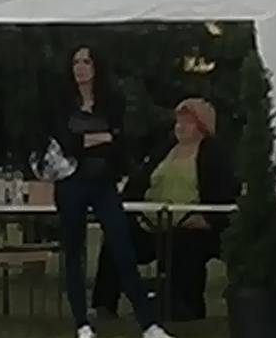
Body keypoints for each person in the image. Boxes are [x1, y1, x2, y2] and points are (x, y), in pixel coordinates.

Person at [44, 46, 177, 338]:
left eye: (86, 62)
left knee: (122, 247)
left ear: (96, 67)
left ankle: (148, 323)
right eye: (75, 62)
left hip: (103, 183)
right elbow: (67, 143)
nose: (80, 67)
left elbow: (119, 142)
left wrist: (93, 140)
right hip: (71, 183)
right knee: (74, 252)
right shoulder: (62, 103)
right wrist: (100, 137)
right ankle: (82, 323)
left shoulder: (112, 101)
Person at [93, 98, 236, 322]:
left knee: (184, 243)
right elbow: (138, 182)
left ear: (202, 126)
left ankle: (183, 306)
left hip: (193, 226)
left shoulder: (214, 153)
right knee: (116, 236)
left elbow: (225, 193)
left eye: (187, 122)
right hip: (152, 222)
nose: (180, 127)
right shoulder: (165, 149)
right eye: (178, 121)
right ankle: (104, 304)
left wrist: (207, 219)